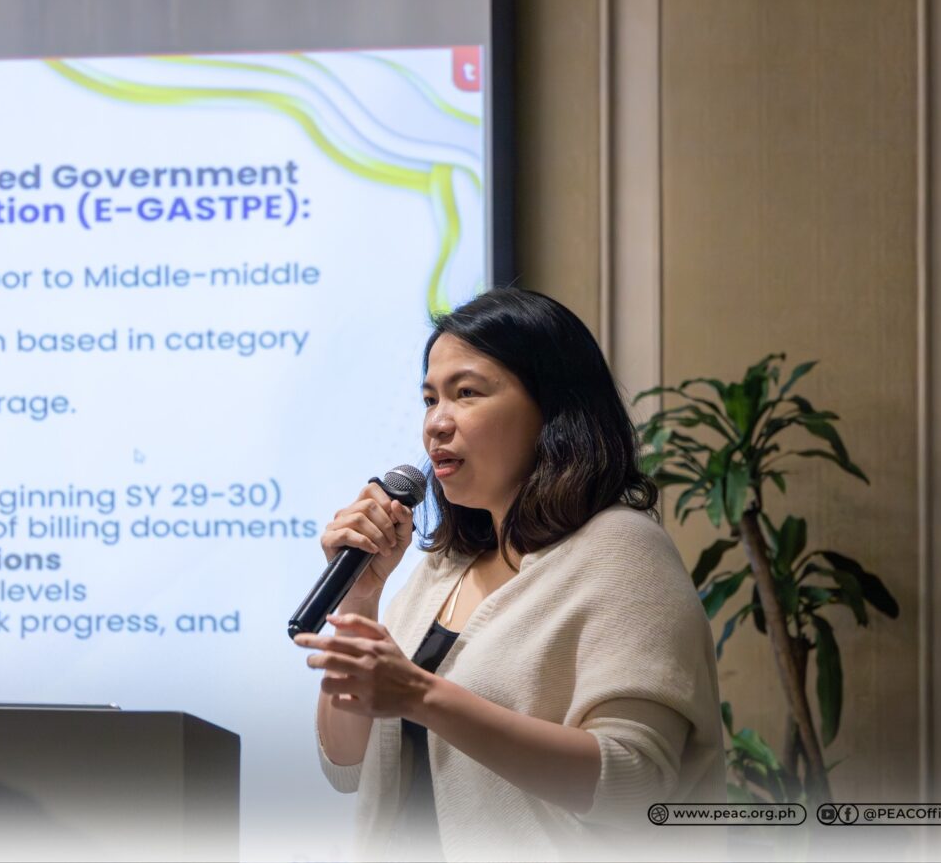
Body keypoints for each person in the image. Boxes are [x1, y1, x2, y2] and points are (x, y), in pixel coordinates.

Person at [294, 288, 726, 862]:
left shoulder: (622, 550)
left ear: (551, 407)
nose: (436, 424)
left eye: (466, 393)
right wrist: (360, 598)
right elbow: (347, 763)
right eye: (429, 399)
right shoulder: (443, 569)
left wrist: (423, 696)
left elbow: (635, 781)